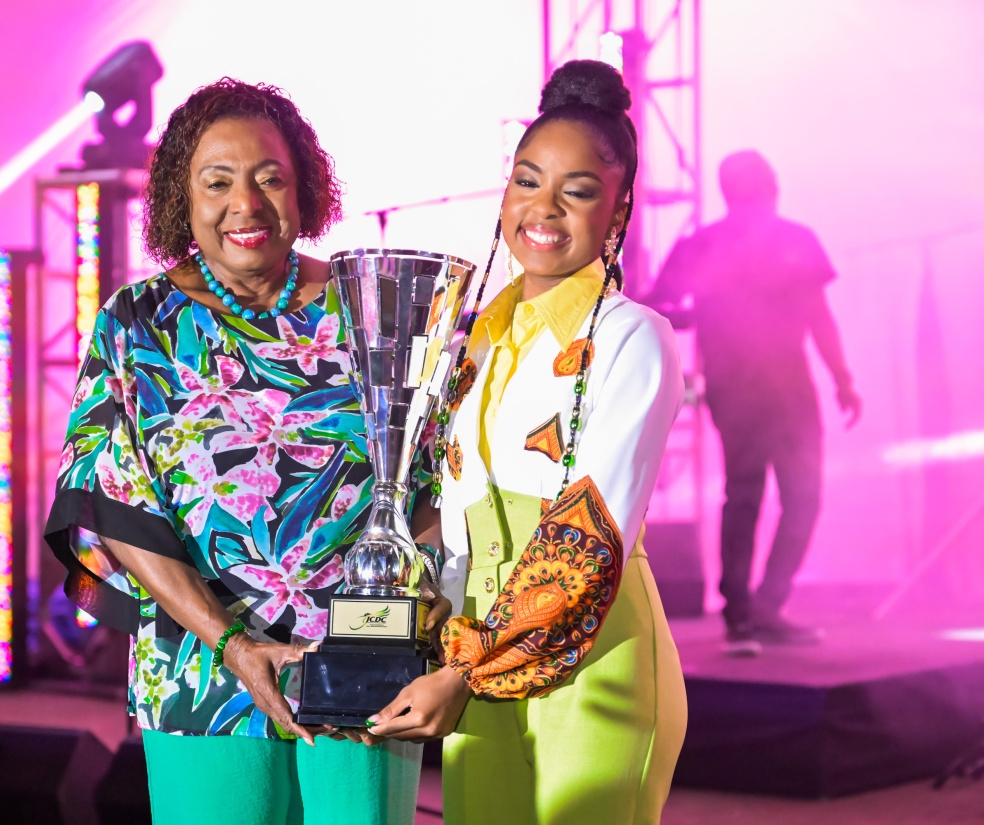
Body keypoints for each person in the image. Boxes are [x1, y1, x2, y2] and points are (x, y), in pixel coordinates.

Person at [44, 78, 422, 825]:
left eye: (269, 178)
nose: (245, 203)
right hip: (199, 661)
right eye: (217, 181)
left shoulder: (372, 303)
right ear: (180, 198)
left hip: (356, 658)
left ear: (304, 187)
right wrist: (234, 644)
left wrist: (416, 619)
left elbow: (430, 484)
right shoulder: (139, 323)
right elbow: (111, 502)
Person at [367, 60, 687, 825]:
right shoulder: (471, 341)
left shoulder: (631, 337)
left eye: (576, 191)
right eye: (526, 181)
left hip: (594, 667)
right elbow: (450, 521)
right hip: (472, 658)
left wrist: (464, 670)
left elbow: (585, 540)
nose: (543, 208)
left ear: (616, 214)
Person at [642, 150, 862, 656]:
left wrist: (706, 316)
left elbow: (658, 306)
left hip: (734, 384)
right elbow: (819, 317)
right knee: (800, 496)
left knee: (743, 494)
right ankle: (762, 607)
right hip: (788, 385)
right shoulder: (795, 239)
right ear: (771, 186)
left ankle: (743, 615)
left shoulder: (702, 245)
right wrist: (843, 380)